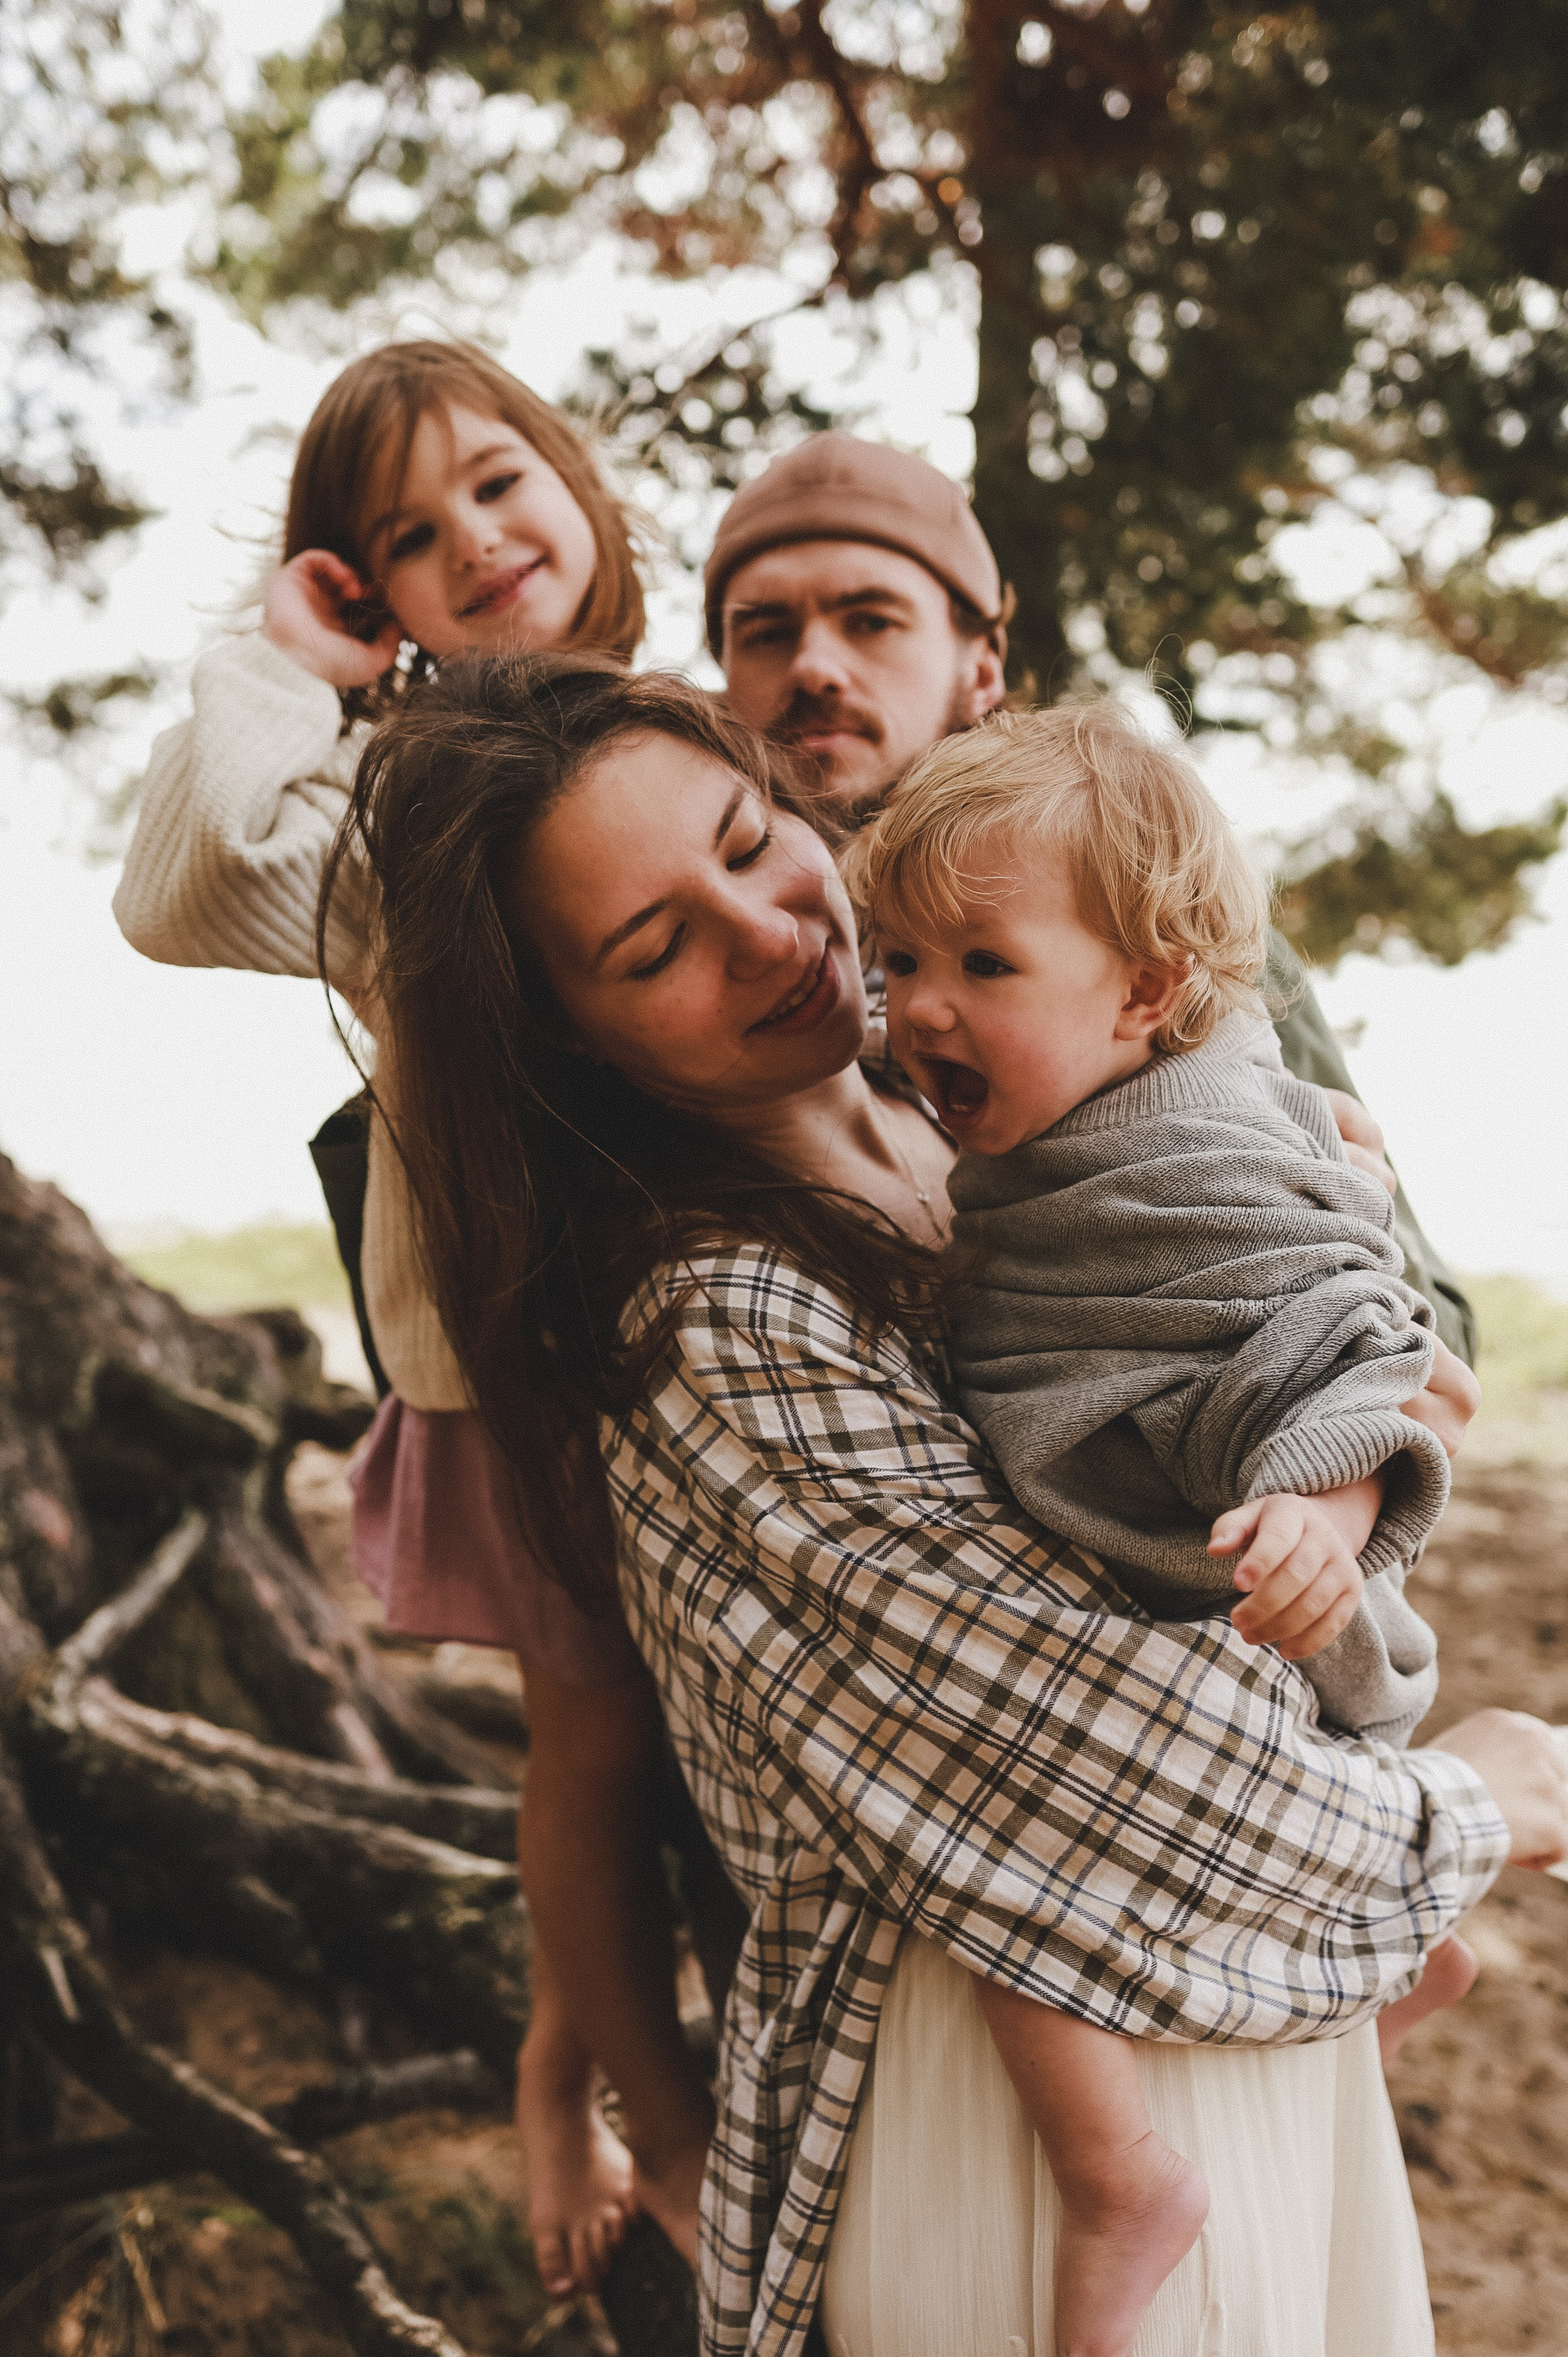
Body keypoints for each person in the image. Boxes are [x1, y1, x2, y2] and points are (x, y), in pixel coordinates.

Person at [342, 647, 1567, 2357]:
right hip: (1006, 2121)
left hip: (1258, 2027)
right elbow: (1097, 1757)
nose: (772, 934)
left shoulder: (1001, 1140)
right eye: (658, 945)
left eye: (748, 842)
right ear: (572, 1039)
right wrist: (1466, 1815)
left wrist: (1347, 1329)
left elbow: (1318, 1316)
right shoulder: (705, 1323)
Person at [110, 339, 725, 2296]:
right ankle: (628, 2108)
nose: (475, 540)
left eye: (499, 483)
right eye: (403, 537)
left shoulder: (687, 721)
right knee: (597, 1737)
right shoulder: (402, 790)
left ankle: (582, 2042)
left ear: (578, 479)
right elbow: (179, 891)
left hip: (732, 1333)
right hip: (532, 1360)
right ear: (360, 587)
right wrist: (283, 659)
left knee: (718, 1746)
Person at [851, 697, 1486, 2357]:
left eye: (980, 966)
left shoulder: (1199, 1158)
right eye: (896, 960)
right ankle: (1395, 1970)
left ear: (1143, 992)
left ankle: (1121, 2172)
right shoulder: (1056, 1106)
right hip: (1176, 1553)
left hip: (1234, 1589)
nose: (919, 1008)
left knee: (1010, 1868)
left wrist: (1323, 1508)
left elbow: (1349, 1336)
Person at [705, 431, 1478, 1368]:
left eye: (871, 621)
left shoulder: (1147, 913)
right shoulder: (739, 976)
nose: (816, 667)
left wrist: (1372, 1341)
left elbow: (1429, 1317)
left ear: (980, 667)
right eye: (766, 632)